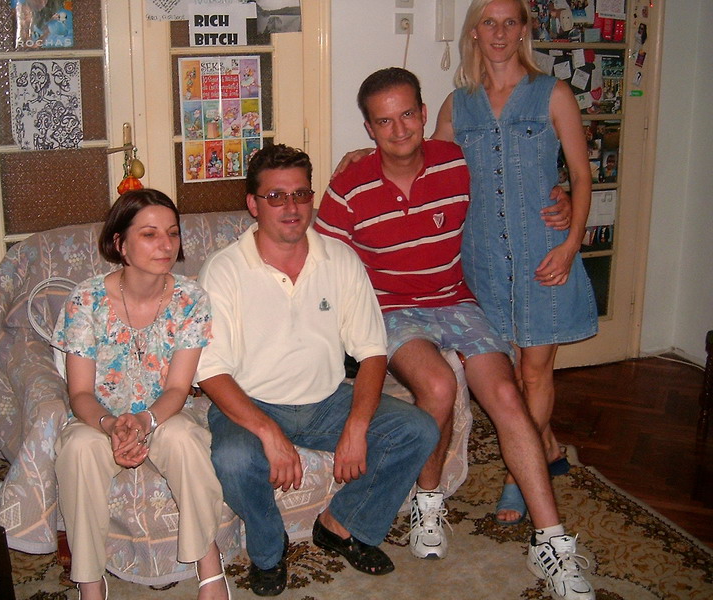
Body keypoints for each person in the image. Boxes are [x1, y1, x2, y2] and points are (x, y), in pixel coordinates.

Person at [316, 67, 595, 599]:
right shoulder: (350, 184)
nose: (399, 129)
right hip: (391, 309)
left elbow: (514, 189)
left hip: (455, 300)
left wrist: (559, 195)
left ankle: (552, 542)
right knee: (440, 386)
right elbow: (320, 261)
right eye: (384, 121)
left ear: (424, 114)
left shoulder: (456, 162)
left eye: (407, 115)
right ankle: (429, 502)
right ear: (369, 129)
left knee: (507, 395)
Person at [196, 143, 439, 597]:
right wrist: (269, 432)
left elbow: (372, 352)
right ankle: (268, 550)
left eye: (301, 194)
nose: (291, 207)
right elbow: (210, 371)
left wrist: (358, 424)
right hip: (251, 403)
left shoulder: (340, 259)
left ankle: (341, 525)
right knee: (233, 458)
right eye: (276, 196)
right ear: (253, 204)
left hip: (327, 400)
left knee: (418, 430)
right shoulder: (224, 270)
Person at [434, 0, 598, 531]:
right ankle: (544, 444)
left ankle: (518, 478)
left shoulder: (553, 94)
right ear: (474, 33)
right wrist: (359, 159)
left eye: (510, 22)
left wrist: (571, 243)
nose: (500, 33)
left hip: (543, 253)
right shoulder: (458, 107)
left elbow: (581, 175)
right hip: (481, 259)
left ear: (524, 30)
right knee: (501, 373)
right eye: (489, 22)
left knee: (534, 371)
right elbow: (425, 170)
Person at [52, 189, 229, 600]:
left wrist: (146, 420)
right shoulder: (86, 300)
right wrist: (111, 425)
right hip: (98, 419)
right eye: (149, 234)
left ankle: (208, 565)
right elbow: (79, 392)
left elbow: (178, 388)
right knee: (78, 450)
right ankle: (90, 582)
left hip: (163, 414)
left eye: (172, 233)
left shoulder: (190, 299)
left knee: (186, 441)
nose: (166, 245)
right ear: (120, 244)